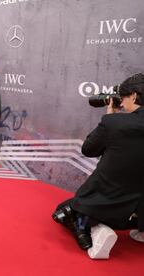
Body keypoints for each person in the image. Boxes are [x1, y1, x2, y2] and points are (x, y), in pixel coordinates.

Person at [53, 73, 144, 259]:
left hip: (108, 203)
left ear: (134, 96)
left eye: (124, 97)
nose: (122, 102)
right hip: (137, 209)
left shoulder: (115, 123)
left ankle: (95, 230)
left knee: (64, 211)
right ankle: (141, 230)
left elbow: (89, 149)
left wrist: (110, 119)